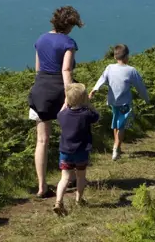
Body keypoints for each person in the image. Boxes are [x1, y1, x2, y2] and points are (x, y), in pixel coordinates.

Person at [28, 6, 84, 198]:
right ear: (69, 25)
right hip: (60, 90)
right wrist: (69, 96)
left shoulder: (41, 39)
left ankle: (42, 186)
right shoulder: (68, 42)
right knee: (71, 135)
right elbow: (66, 70)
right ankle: (71, 177)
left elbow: (38, 69)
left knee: (42, 140)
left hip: (40, 90)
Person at [90, 44, 149, 161]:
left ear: (115, 56)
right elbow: (140, 86)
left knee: (116, 123)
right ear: (127, 56)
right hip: (125, 103)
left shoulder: (109, 68)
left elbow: (102, 79)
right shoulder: (131, 70)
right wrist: (146, 98)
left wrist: (94, 90)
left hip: (113, 101)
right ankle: (116, 148)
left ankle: (118, 147)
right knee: (121, 126)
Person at [54, 83, 100, 216]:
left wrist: (66, 102)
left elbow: (62, 111)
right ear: (84, 98)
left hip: (65, 152)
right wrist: (90, 105)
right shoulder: (86, 114)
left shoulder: (62, 115)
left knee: (64, 178)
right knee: (80, 177)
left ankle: (58, 202)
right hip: (81, 152)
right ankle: (79, 200)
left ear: (67, 99)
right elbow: (96, 116)